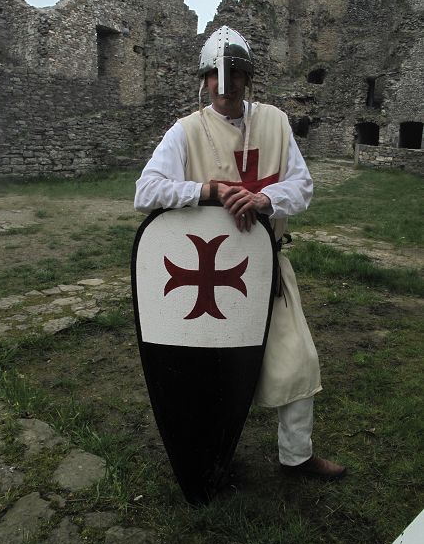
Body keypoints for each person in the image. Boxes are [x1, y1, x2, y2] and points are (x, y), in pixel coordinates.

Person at [134, 25, 346, 480]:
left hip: (265, 265)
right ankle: (208, 457)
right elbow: (146, 190)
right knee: (207, 371)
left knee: (298, 362)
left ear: (249, 77)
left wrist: (266, 200)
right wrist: (208, 190)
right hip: (202, 271)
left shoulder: (273, 122)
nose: (223, 85)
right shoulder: (186, 131)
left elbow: (302, 187)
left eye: (234, 75)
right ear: (204, 78)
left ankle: (297, 456)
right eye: (214, 75)